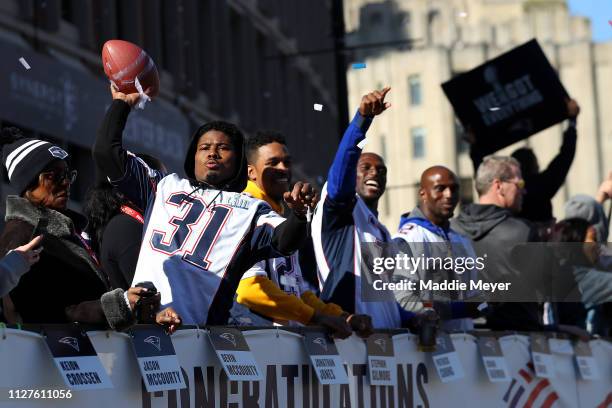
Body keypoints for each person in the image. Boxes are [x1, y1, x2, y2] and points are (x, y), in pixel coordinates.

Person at [94, 85, 317, 326]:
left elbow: (285, 241)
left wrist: (299, 214)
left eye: (223, 148)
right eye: (204, 147)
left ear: (239, 160)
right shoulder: (163, 186)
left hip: (202, 337)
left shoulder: (252, 209)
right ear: (193, 156)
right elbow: (106, 153)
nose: (212, 153)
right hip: (148, 327)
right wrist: (121, 104)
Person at [0, 127, 145, 329]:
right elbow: (41, 314)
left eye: (68, 174)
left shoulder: (66, 231)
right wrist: (117, 306)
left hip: (88, 353)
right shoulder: (23, 235)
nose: (66, 182)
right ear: (27, 184)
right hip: (55, 356)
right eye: (54, 176)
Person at [230, 130, 371, 337]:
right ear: (251, 172)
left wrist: (341, 316)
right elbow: (250, 290)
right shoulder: (242, 211)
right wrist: (314, 317)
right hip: (253, 343)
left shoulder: (281, 218)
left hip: (283, 346)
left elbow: (296, 291)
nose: (283, 168)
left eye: (287, 162)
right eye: (273, 162)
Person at [312, 87, 405, 329]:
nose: (375, 172)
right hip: (350, 343)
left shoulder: (382, 232)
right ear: (352, 173)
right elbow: (341, 170)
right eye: (365, 167)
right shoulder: (342, 211)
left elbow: (385, 301)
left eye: (381, 170)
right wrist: (362, 120)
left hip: (386, 349)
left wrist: (416, 319)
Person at [451, 155, 542, 331]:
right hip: (517, 341)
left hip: (463, 340)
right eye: (520, 184)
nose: (524, 191)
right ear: (499, 186)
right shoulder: (523, 232)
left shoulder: (450, 230)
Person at [469, 98, 580, 229]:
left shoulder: (501, 190)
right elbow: (565, 158)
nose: (522, 192)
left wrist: (474, 144)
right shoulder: (542, 186)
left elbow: (483, 175)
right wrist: (572, 123)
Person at [393, 166, 481, 331]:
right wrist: (460, 309)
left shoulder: (462, 240)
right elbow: (403, 301)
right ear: (423, 193)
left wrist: (487, 305)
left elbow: (474, 300)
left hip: (466, 345)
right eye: (440, 189)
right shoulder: (406, 239)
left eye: (454, 189)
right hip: (425, 348)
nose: (449, 195)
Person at [84, 154, 167, 290]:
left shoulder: (125, 223)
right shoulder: (125, 227)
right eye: (160, 180)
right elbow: (154, 294)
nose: (167, 191)